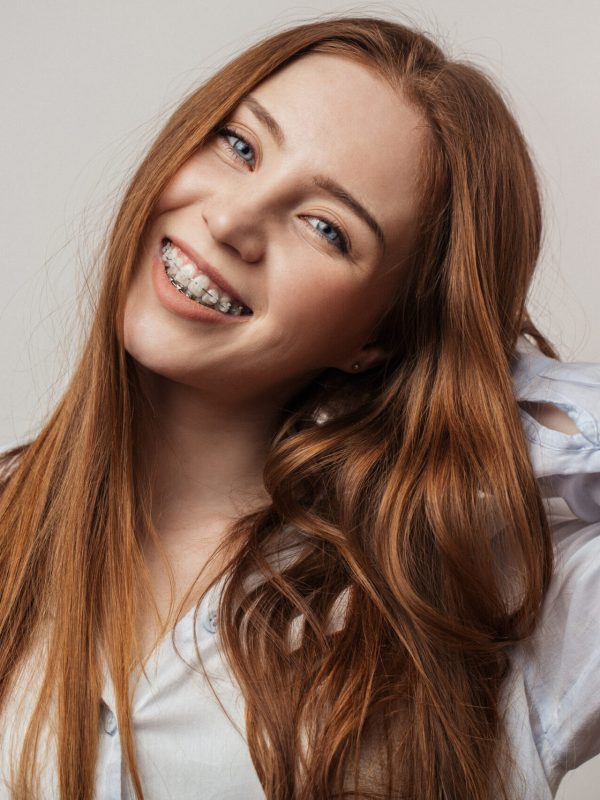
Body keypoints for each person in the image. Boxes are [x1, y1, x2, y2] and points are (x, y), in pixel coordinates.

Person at [0, 14, 598, 800]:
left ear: (379, 335)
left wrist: (465, 397)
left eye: (326, 228)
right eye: (239, 146)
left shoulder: (492, 589)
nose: (232, 221)